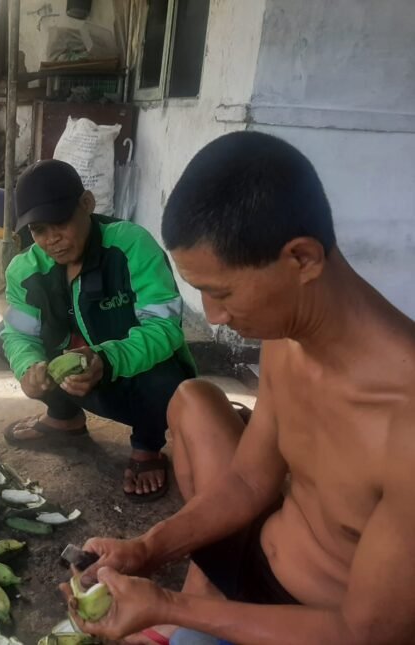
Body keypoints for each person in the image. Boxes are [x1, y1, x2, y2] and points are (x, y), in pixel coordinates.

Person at [63, 131, 415, 644]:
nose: (213, 316)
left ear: (302, 259)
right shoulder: (287, 340)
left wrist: (171, 606)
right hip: (258, 556)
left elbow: (364, 632)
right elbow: (250, 481)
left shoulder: (404, 423)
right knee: (195, 400)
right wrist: (145, 549)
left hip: (317, 625)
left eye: (221, 292)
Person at [0, 159, 195, 502]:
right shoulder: (24, 270)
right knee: (1, 339)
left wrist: (108, 358)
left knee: (166, 376)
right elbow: (19, 334)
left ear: (86, 204)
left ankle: (147, 447)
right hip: (74, 379)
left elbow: (165, 327)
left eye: (60, 222)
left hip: (132, 379)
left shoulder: (131, 245)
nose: (51, 239)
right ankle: (63, 417)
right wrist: (27, 368)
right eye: (38, 230)